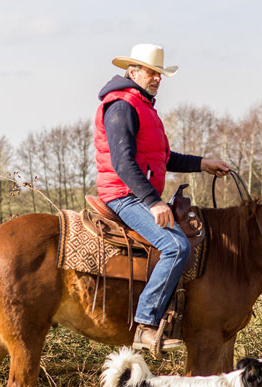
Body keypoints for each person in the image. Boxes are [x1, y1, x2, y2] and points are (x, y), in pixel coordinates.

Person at [94, 43, 230, 351]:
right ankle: (145, 323)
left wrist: (202, 164)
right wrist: (154, 202)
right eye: (151, 72)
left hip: (138, 193)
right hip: (124, 194)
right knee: (176, 246)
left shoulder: (144, 106)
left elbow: (163, 157)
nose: (157, 78)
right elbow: (123, 163)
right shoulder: (122, 106)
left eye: (160, 73)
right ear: (132, 71)